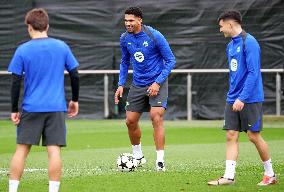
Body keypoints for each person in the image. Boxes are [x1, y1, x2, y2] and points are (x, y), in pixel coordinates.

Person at [7, 8, 80, 192]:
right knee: (54, 150)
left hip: (31, 107)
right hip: (56, 107)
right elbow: (74, 74)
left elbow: (15, 81)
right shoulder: (61, 46)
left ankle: (12, 190)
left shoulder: (22, 49)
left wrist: (14, 109)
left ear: (29, 27)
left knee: (21, 150)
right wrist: (75, 100)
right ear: (47, 25)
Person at [208, 10, 276, 186]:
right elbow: (235, 73)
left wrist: (242, 98)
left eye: (221, 26)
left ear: (230, 24)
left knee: (253, 136)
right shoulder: (230, 45)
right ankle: (228, 177)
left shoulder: (250, 42)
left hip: (250, 98)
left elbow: (254, 73)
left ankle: (270, 174)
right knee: (231, 135)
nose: (220, 30)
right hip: (233, 97)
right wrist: (233, 96)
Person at [114, 7, 176, 171]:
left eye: (131, 20)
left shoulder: (155, 36)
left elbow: (170, 60)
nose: (128, 23)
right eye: (126, 20)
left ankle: (160, 161)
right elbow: (124, 62)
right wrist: (120, 84)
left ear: (140, 20)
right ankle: (139, 157)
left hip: (157, 82)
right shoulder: (124, 38)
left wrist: (157, 82)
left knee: (156, 117)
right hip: (138, 84)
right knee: (130, 121)